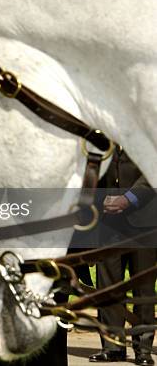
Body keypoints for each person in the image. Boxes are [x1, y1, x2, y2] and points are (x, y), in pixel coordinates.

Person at [89, 148, 156, 366]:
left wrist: (129, 199)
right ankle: (112, 347)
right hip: (108, 222)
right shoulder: (103, 131)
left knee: (143, 288)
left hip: (145, 219)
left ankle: (143, 350)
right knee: (107, 287)